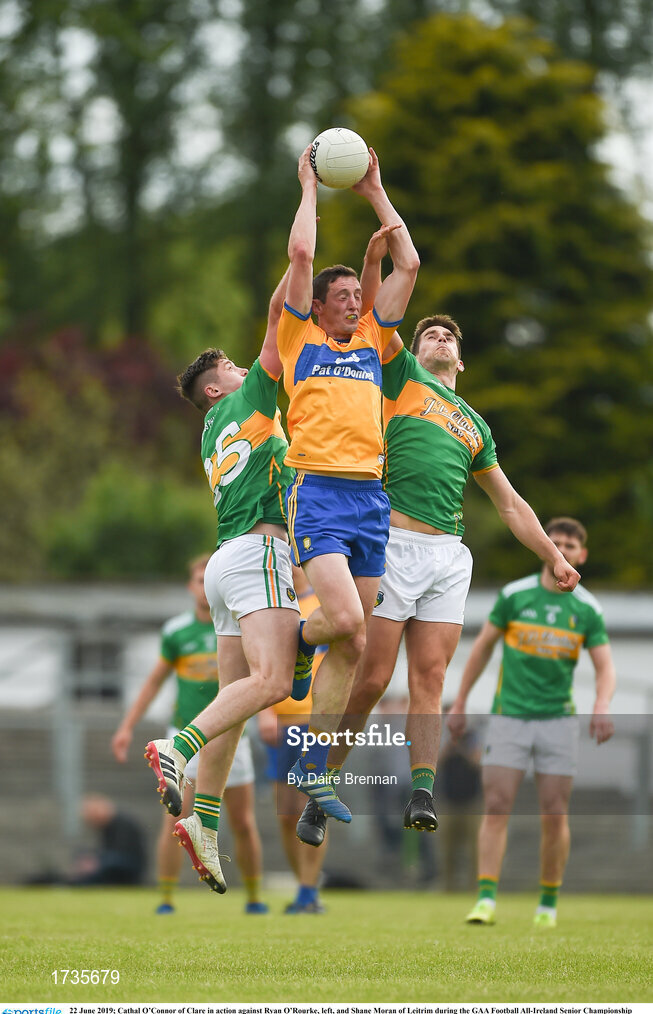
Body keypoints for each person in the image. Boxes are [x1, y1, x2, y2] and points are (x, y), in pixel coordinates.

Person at [296, 228, 580, 847]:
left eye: (448, 335)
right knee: (371, 680)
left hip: (448, 556)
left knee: (430, 678)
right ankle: (322, 783)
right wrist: (377, 239)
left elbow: (508, 503)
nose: (439, 336)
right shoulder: (396, 377)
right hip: (390, 543)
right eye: (430, 332)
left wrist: (552, 556)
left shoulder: (475, 426)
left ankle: (421, 790)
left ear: (461, 358)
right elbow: (381, 308)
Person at [143, 265, 304, 895]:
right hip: (258, 552)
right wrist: (302, 245)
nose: (246, 368)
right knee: (272, 679)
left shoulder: (212, 429)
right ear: (216, 390)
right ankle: (177, 748)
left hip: (222, 566)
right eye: (234, 367)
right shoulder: (248, 400)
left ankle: (203, 822)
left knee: (233, 702)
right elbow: (279, 318)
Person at [277, 145, 420, 833]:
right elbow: (301, 258)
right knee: (347, 624)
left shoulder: (373, 342)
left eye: (357, 298)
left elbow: (408, 263)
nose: (354, 303)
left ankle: (314, 770)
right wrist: (309, 187)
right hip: (320, 495)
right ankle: (298, 640)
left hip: (370, 500)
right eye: (345, 298)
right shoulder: (299, 335)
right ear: (321, 305)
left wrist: (375, 191)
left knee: (356, 648)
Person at [447, 516, 616, 928]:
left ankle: (548, 903)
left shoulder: (587, 608)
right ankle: (486, 899)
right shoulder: (514, 596)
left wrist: (602, 705)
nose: (561, 550)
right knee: (497, 806)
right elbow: (482, 649)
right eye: (554, 543)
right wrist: (462, 701)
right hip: (509, 717)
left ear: (582, 555)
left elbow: (605, 668)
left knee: (555, 813)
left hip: (558, 721)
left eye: (570, 546)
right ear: (544, 548)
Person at [112, 554, 267, 914]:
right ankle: (166, 898)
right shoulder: (177, 631)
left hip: (233, 738)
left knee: (243, 821)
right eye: (198, 581)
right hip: (183, 734)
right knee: (175, 818)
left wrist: (270, 715)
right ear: (191, 586)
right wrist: (126, 726)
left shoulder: (239, 625)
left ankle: (255, 897)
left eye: (205, 580)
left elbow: (261, 676)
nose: (203, 587)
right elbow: (154, 681)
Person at [257, 565, 329, 913]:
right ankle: (303, 885)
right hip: (280, 723)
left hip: (314, 721)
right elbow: (254, 665)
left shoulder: (324, 606)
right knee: (286, 812)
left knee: (311, 806)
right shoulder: (271, 609)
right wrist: (263, 713)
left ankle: (308, 890)